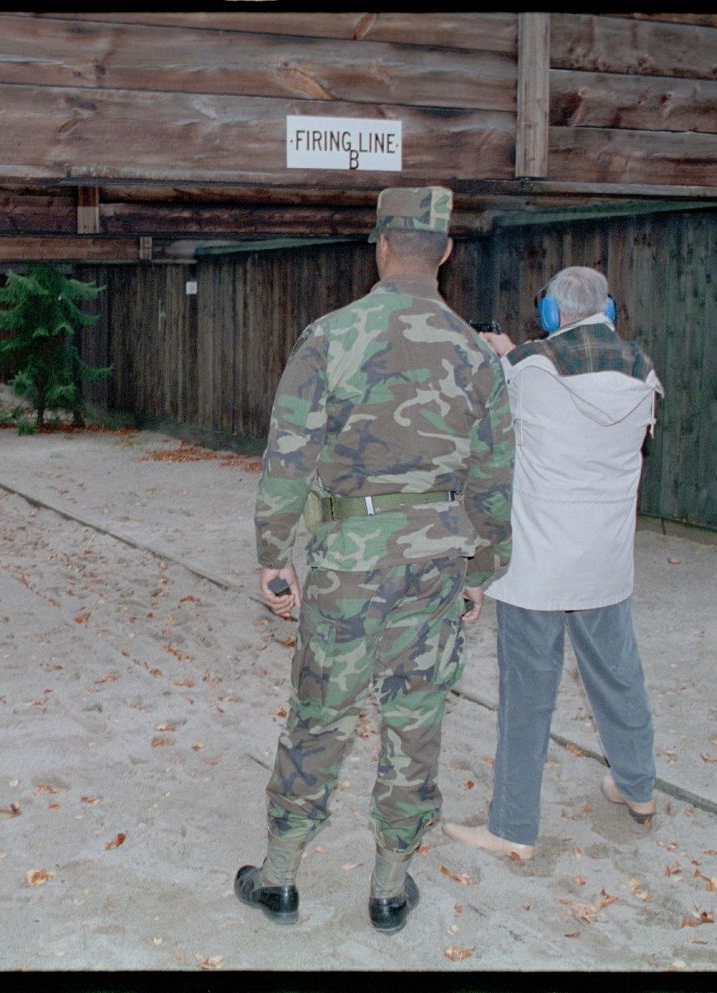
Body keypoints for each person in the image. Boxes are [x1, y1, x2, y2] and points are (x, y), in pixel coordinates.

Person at [235, 186, 513, 934]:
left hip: (349, 562)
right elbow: (493, 477)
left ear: (381, 244)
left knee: (321, 714)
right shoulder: (476, 354)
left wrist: (274, 556)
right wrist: (482, 570)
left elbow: (287, 456)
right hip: (434, 561)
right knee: (415, 717)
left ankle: (281, 877)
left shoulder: (330, 336)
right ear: (446, 253)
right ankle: (390, 885)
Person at [444, 265, 664, 862]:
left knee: (528, 697)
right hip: (605, 562)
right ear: (609, 311)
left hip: (537, 567)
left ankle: (512, 827)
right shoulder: (643, 371)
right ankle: (638, 787)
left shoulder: (527, 369)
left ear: (548, 315)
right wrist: (516, 353)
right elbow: (573, 381)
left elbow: (506, 392)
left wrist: (498, 351)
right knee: (618, 677)